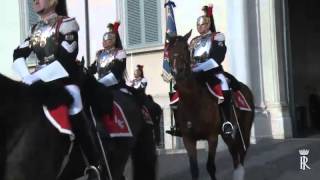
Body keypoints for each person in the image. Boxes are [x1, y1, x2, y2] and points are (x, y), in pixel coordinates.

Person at [12, 0, 105, 178]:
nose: (35, 1)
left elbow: (66, 58)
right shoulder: (34, 29)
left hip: (63, 79)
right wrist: (26, 77)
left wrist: (36, 77)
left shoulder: (67, 24)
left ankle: (93, 162)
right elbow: (17, 54)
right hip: (37, 81)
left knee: (75, 102)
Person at [166, 5, 234, 136]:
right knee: (177, 92)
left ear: (208, 25)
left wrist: (199, 67)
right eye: (198, 25)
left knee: (223, 85)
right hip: (194, 73)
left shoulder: (217, 37)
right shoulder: (193, 41)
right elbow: (188, 58)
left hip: (212, 71)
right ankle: (180, 124)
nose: (199, 28)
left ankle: (226, 121)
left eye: (202, 25)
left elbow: (217, 57)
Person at [88, 22, 127, 88]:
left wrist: (99, 83)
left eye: (107, 40)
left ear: (113, 40)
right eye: (103, 40)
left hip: (116, 85)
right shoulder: (99, 53)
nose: (104, 42)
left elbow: (117, 70)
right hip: (101, 84)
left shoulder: (120, 53)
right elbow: (94, 68)